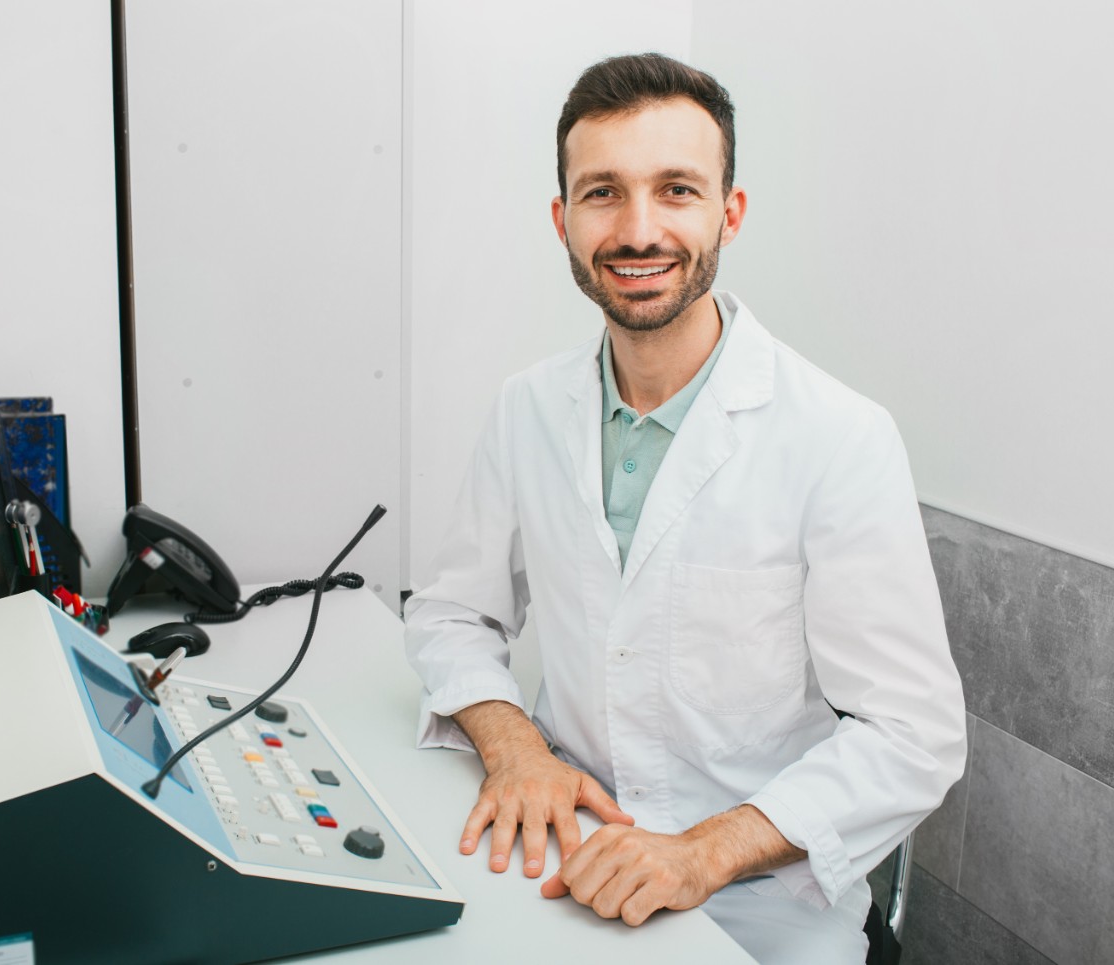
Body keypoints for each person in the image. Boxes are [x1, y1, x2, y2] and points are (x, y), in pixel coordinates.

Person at [404, 52, 967, 965]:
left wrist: (702, 852)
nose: (638, 229)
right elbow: (450, 611)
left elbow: (914, 736)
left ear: (728, 213)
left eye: (676, 190)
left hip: (765, 912)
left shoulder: (838, 435)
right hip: (567, 870)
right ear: (562, 220)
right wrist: (514, 746)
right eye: (602, 193)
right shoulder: (527, 408)